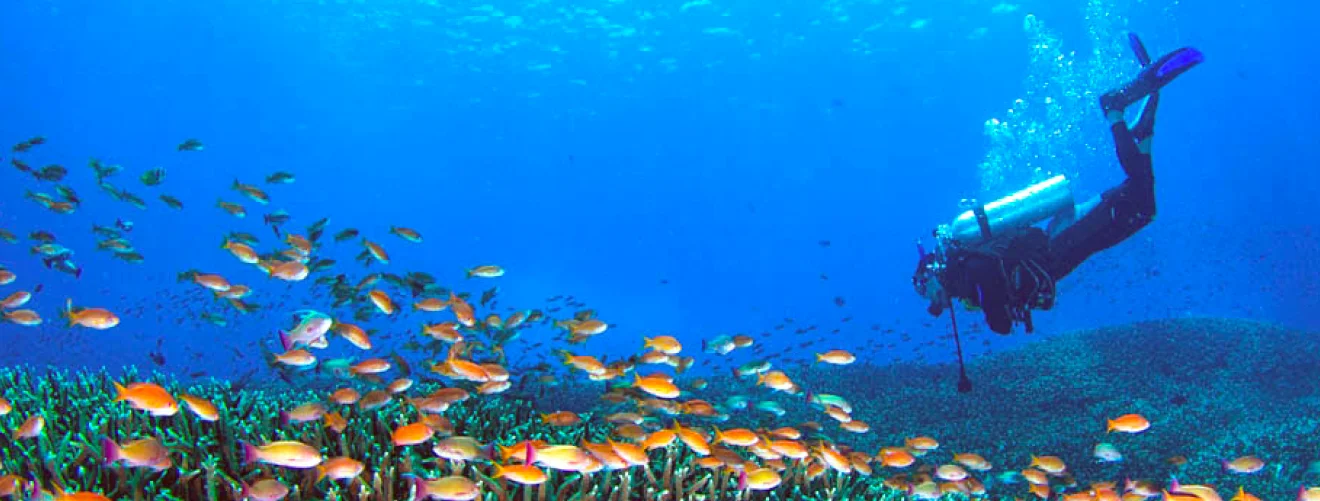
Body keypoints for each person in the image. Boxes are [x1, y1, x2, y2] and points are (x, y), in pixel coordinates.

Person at [911, 34, 1203, 391]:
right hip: (1061, 247)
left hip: (1059, 242)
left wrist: (986, 307)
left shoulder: (971, 269)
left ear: (933, 277)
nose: (933, 302)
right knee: (1142, 209)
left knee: (1138, 201)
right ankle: (1140, 130)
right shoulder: (967, 274)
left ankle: (1114, 110)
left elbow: (1000, 320)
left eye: (927, 292)